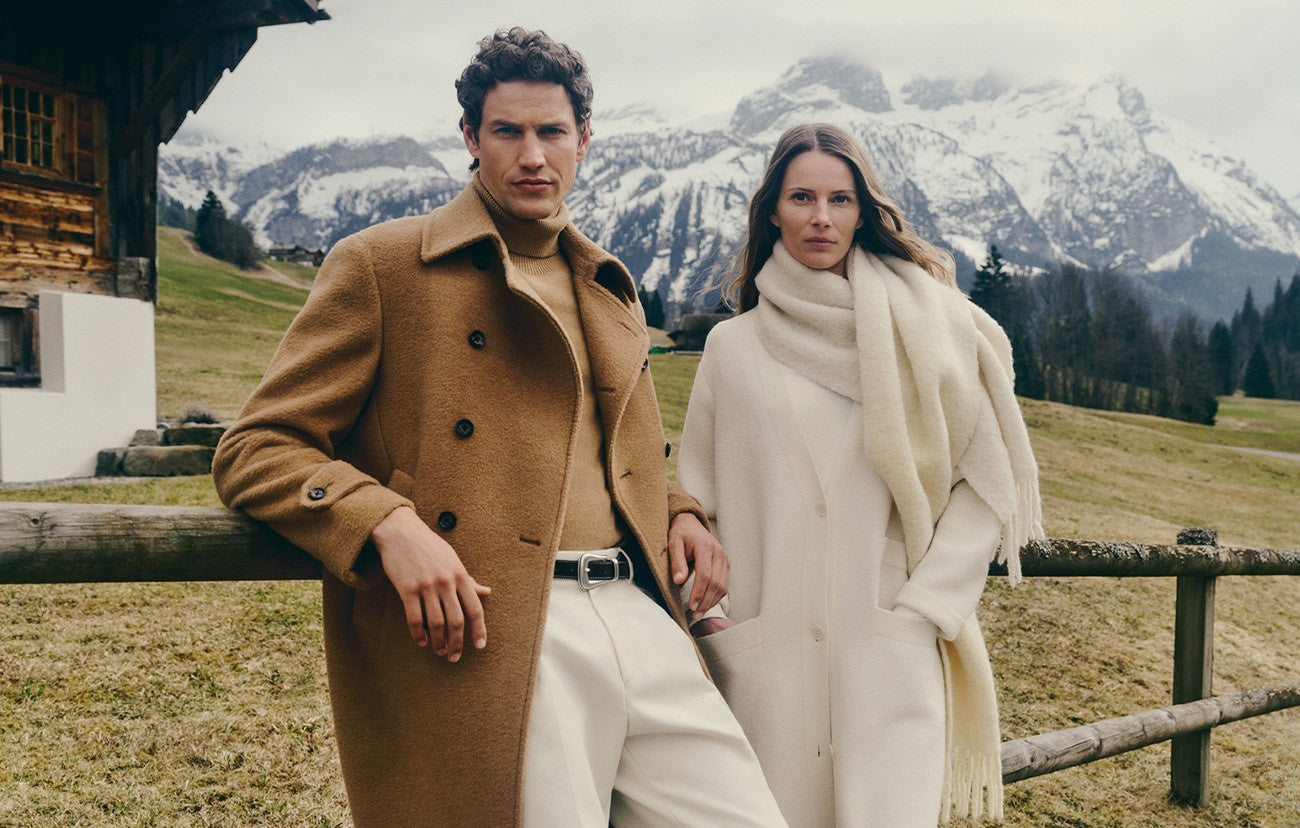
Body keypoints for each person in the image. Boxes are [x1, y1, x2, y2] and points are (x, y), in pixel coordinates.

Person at [212, 27, 784, 828]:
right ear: (470, 137)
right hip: (502, 631)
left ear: (585, 139)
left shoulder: (608, 283)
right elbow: (256, 448)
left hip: (640, 610)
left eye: (552, 132)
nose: (532, 156)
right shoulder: (384, 266)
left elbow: (615, 456)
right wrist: (387, 524)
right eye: (507, 131)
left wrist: (679, 510)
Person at [679, 122, 1043, 827]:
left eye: (840, 199)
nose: (821, 217)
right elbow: (697, 502)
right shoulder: (730, 347)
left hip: (887, 650)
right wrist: (714, 619)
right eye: (802, 197)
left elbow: (984, 484)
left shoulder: (924, 334)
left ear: (862, 211)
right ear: (772, 210)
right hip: (761, 658)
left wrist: (923, 611)